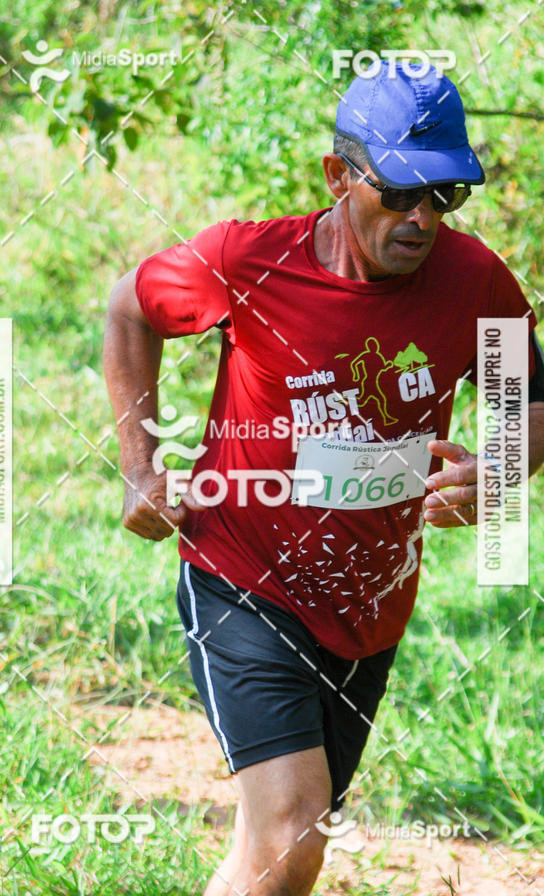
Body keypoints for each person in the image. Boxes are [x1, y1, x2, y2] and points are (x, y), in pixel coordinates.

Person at [104, 63, 544, 896]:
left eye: (446, 196)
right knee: (293, 832)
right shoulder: (249, 259)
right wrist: (140, 468)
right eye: (402, 192)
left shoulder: (476, 281)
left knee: (272, 854)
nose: (423, 219)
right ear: (338, 177)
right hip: (241, 580)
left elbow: (528, 401)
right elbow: (130, 308)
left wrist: (503, 468)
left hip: (369, 611)